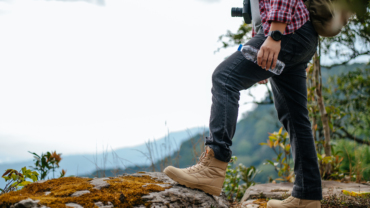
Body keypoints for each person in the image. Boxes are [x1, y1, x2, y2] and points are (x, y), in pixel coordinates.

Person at [164, 0, 323, 207]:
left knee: (225, 78)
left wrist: (274, 36)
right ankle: (307, 195)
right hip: (302, 33)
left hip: (288, 31)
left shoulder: (280, 32)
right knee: (294, 116)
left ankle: (213, 167)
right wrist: (262, 40)